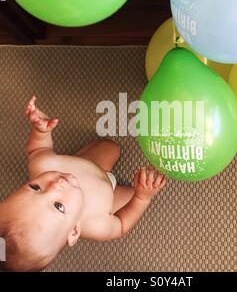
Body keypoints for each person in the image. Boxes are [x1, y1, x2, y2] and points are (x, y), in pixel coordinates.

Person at [0, 96, 167, 272]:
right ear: (74, 231)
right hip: (107, 196)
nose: (56, 185)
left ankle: (88, 159)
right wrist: (142, 197)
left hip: (89, 165)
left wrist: (41, 132)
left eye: (35, 188)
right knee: (131, 194)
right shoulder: (96, 225)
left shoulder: (43, 166)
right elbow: (122, 225)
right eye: (58, 206)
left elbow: (39, 149)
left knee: (110, 146)